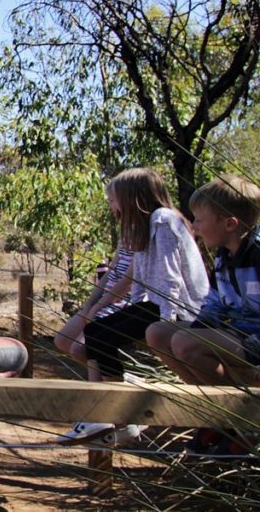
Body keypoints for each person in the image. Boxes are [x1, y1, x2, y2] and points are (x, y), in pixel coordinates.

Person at [64, 168, 209, 446]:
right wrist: (127, 313)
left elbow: (170, 277)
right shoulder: (143, 225)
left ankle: (118, 413)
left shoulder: (163, 220)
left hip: (176, 307)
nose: (111, 206)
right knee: (97, 332)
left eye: (114, 199)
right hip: (152, 304)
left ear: (132, 198)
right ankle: (117, 416)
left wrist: (166, 322)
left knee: (101, 334)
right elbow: (141, 278)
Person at [146, 175, 260, 387]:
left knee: (185, 343)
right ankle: (207, 400)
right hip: (239, 332)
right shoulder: (223, 257)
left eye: (199, 219)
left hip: (255, 339)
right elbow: (214, 303)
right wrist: (200, 327)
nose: (194, 226)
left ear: (229, 224)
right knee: (157, 333)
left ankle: (236, 409)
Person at [54, 181, 134, 365]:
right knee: (63, 341)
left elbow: (129, 282)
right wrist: (89, 304)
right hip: (106, 300)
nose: (110, 205)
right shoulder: (126, 233)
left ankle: (112, 381)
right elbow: (111, 273)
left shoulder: (145, 236)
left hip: (123, 302)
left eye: (112, 200)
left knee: (81, 348)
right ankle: (116, 377)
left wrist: (97, 308)